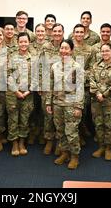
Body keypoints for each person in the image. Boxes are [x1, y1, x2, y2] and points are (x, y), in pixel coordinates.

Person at [46, 39, 84, 170]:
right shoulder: (54, 66)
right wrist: (48, 102)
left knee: (71, 132)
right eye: (62, 48)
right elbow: (50, 84)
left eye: (66, 48)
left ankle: (75, 157)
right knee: (60, 131)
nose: (63, 51)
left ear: (71, 50)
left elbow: (80, 88)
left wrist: (79, 106)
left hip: (71, 104)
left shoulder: (77, 67)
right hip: (57, 104)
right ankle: (65, 153)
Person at [90, 43, 111, 161]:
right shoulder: (95, 66)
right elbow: (92, 81)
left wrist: (103, 94)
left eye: (107, 51)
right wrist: (97, 93)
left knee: (110, 125)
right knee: (98, 124)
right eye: (102, 51)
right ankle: (101, 146)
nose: (104, 53)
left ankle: (109, 148)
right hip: (96, 101)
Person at [6, 32, 35, 156]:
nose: (23, 44)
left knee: (24, 119)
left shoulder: (34, 58)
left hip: (28, 94)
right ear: (17, 43)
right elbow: (6, 75)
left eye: (25, 41)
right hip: (13, 94)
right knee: (13, 119)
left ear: (29, 42)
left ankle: (22, 142)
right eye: (21, 41)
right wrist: (16, 91)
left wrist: (28, 91)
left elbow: (37, 77)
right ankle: (14, 143)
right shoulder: (11, 57)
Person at [39, 23, 64, 155]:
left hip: (62, 88)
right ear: (52, 33)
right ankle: (49, 140)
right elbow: (40, 66)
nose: (57, 34)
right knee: (48, 115)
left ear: (63, 33)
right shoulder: (45, 47)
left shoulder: (67, 47)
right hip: (47, 86)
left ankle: (60, 142)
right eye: (55, 31)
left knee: (60, 116)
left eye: (60, 31)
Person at [72, 24, 96, 146]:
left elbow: (92, 68)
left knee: (82, 110)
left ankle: (81, 132)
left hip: (84, 85)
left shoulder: (90, 49)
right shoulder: (69, 47)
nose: (79, 34)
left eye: (81, 32)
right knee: (71, 111)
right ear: (73, 33)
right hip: (70, 85)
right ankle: (76, 135)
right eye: (77, 32)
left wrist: (81, 74)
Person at [27, 23, 48, 145]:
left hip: (44, 84)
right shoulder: (29, 46)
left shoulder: (49, 47)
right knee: (32, 110)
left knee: (43, 110)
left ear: (45, 32)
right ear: (35, 33)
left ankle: (42, 133)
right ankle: (32, 133)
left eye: (42, 31)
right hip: (30, 84)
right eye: (38, 31)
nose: (40, 34)